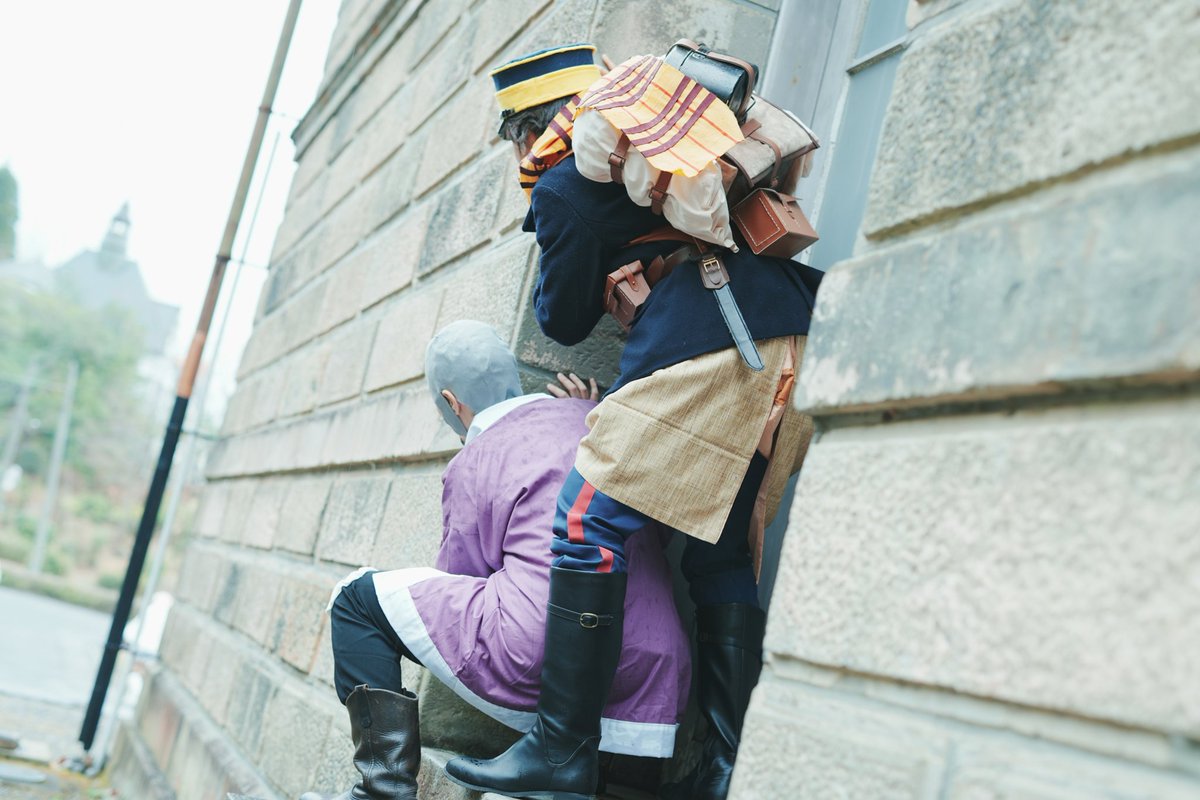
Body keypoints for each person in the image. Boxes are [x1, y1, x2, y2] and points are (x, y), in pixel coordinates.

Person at [444, 44, 820, 800]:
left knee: (585, 522)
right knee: (718, 553)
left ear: (534, 130)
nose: (520, 154)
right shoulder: (680, 147)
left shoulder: (566, 187)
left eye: (516, 136)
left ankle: (561, 749)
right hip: (791, 337)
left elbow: (561, 318)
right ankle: (725, 771)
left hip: (708, 341)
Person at [300, 320, 690, 800]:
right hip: (656, 663)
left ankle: (383, 792)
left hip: (545, 655)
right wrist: (586, 408)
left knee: (356, 598)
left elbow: (458, 580)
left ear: (451, 403)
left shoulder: (478, 455)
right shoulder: (596, 419)